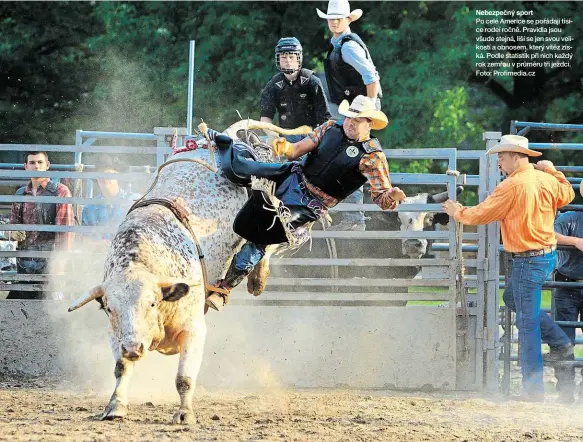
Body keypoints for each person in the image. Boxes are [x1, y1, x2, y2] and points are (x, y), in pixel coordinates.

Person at [202, 95, 406, 312]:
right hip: (292, 175)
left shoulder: (373, 157)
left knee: (268, 231)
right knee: (242, 168)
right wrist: (284, 148)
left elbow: (382, 200)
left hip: (311, 204)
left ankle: (223, 289)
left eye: (357, 120)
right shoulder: (330, 128)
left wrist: (392, 195)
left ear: (369, 124)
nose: (350, 123)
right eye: (349, 117)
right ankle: (220, 142)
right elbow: (297, 150)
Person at [442, 135, 574, 401]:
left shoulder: (511, 186)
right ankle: (560, 342)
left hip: (527, 258)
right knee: (513, 299)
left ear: (516, 156)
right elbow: (568, 194)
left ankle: (534, 389)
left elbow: (482, 214)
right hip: (546, 256)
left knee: (526, 324)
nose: (499, 162)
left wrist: (458, 212)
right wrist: (553, 171)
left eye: (502, 157)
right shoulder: (546, 180)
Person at [318, 0, 383, 231]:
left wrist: (370, 109)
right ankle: (350, 215)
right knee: (345, 154)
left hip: (358, 110)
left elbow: (371, 76)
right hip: (352, 108)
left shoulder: (347, 46)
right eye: (331, 18)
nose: (334, 21)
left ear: (348, 20)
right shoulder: (339, 43)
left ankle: (355, 218)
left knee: (351, 156)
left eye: (339, 18)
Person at [7, 151, 74, 300]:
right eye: (32, 163)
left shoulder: (60, 191)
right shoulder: (20, 194)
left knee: (50, 309)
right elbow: (13, 224)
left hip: (51, 262)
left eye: (40, 162)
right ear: (25, 166)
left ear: (47, 165)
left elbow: (65, 232)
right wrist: (14, 233)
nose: (36, 166)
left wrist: (61, 264)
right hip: (25, 263)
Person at [549, 182, 583, 403]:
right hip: (567, 284)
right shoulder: (571, 217)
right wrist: (575, 242)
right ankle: (565, 392)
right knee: (563, 340)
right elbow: (548, 234)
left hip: (568, 284)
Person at [260, 37, 331, 143]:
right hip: (286, 138)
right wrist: (272, 136)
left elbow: (325, 118)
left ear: (298, 58)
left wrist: (317, 138)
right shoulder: (273, 85)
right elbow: (265, 116)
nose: (287, 61)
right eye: (283, 57)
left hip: (312, 136)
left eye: (291, 57)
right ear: (278, 60)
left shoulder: (313, 82)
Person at [81, 160, 137, 244]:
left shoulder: (134, 201)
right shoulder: (88, 208)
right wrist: (97, 245)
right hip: (97, 255)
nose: (104, 178)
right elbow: (84, 239)